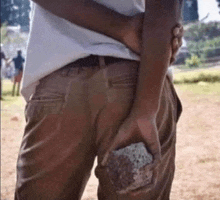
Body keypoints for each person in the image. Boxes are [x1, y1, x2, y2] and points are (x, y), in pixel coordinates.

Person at [15, 0, 183, 199]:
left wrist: (119, 27)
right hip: (137, 83)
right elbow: (164, 10)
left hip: (59, 86)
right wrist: (145, 113)